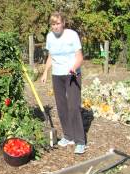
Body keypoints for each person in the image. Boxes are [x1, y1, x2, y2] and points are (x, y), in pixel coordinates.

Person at [41, 11, 86, 154]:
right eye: (53, 24)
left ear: (63, 23)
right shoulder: (49, 37)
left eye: (58, 23)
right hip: (57, 75)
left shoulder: (72, 35)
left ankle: (80, 141)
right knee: (61, 107)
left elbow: (80, 57)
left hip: (72, 74)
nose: (55, 26)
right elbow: (50, 57)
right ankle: (68, 136)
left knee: (73, 106)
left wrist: (74, 68)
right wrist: (45, 72)